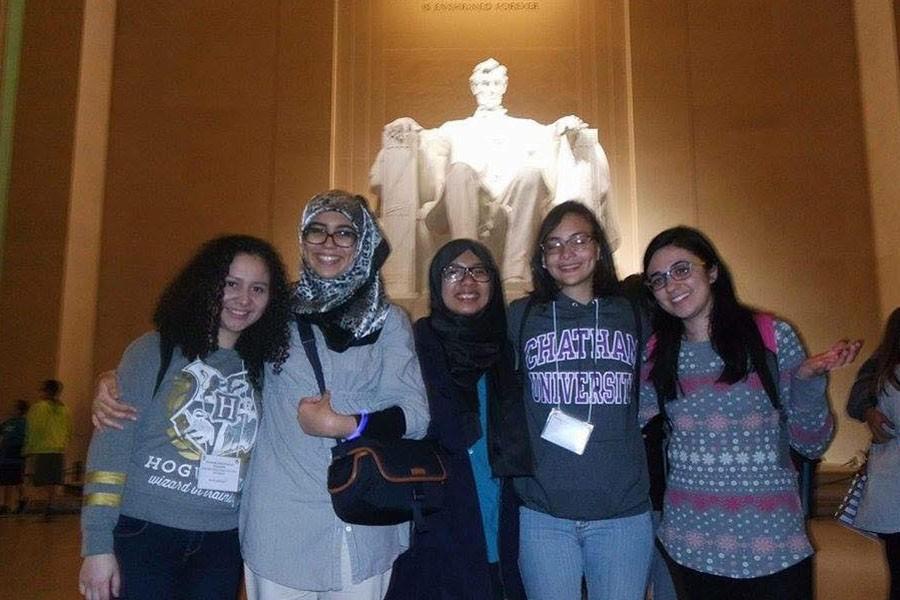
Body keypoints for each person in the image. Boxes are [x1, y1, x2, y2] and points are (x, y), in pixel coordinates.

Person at [91, 191, 431, 600]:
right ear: (302, 239)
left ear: (365, 244)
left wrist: (346, 425)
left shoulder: (388, 322)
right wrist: (118, 377)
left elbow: (415, 416)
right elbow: (206, 347)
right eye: (317, 231)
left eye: (345, 233)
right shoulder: (272, 313)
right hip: (277, 524)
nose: (328, 243)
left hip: (358, 522)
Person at [641, 226, 861, 600]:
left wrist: (807, 381)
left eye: (682, 269)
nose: (670, 284)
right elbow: (627, 418)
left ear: (711, 271)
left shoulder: (771, 336)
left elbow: (812, 441)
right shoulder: (658, 352)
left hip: (773, 542)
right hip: (691, 540)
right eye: (658, 279)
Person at [77, 235, 292, 600]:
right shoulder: (153, 351)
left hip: (221, 543)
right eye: (231, 284)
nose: (244, 299)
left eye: (258, 288)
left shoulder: (266, 369)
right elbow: (109, 453)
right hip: (145, 534)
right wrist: (96, 546)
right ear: (207, 284)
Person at [505, 200, 652, 600]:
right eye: (553, 245)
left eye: (578, 240)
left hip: (622, 511)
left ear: (599, 248)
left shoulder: (634, 314)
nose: (566, 253)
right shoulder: (520, 316)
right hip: (543, 512)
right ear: (542, 257)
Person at [377, 58, 617, 285]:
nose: (489, 89)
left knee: (532, 173)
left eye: (494, 83)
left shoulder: (523, 128)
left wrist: (564, 126)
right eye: (483, 83)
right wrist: (407, 123)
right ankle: (468, 259)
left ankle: (515, 273)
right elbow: (425, 142)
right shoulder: (454, 129)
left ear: (504, 86)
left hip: (508, 210)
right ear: (473, 87)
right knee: (460, 171)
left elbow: (551, 135)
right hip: (458, 209)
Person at [386, 239, 532, 600]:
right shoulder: (414, 345)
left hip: (504, 515)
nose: (467, 281)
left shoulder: (508, 349)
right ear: (437, 282)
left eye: (478, 271)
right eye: (453, 271)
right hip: (437, 524)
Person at [853, 307, 900, 600]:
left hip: (889, 490)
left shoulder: (885, 374)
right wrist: (867, 409)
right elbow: (856, 399)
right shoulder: (885, 374)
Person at [23, 379, 70, 518]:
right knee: (53, 481)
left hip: (42, 449)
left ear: (47, 391)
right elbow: (69, 430)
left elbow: (33, 429)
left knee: (41, 480)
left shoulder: (38, 408)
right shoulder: (65, 409)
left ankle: (47, 506)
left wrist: (28, 448)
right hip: (58, 449)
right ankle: (50, 504)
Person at [0, 399, 29, 514]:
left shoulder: (24, 423)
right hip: (5, 455)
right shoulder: (8, 422)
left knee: (17, 480)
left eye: (13, 407)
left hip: (16, 455)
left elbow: (24, 438)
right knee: (5, 480)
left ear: (19, 410)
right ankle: (5, 504)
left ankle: (23, 499)